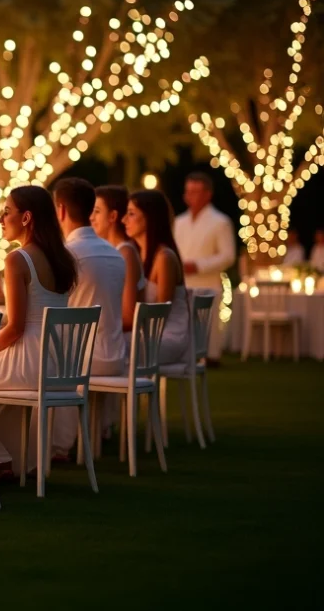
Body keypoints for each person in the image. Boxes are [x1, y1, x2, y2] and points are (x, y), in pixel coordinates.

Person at [0, 186, 78, 477]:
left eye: (7, 212)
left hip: (29, 362)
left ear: (26, 218)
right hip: (58, 362)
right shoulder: (62, 258)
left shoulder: (17, 259)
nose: (1, 219)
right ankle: (7, 458)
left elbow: (15, 328)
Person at [51, 178, 127, 458]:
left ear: (60, 211)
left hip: (82, 361)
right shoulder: (116, 254)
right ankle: (95, 431)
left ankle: (56, 445)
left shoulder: (65, 255)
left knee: (40, 354)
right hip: (116, 356)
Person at [172, 172, 235, 361]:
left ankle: (211, 358)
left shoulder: (220, 222)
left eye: (195, 191)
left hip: (208, 283)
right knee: (184, 326)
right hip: (183, 283)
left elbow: (228, 255)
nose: (190, 196)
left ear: (208, 194)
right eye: (188, 191)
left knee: (208, 326)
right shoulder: (179, 222)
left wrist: (198, 266)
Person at [125, 189, 190, 366]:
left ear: (149, 218)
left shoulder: (164, 258)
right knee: (105, 345)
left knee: (110, 348)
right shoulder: (137, 254)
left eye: (131, 214)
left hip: (168, 337)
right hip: (148, 333)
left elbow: (161, 314)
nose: (124, 220)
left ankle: (126, 393)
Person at [90, 185, 145, 331]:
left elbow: (129, 316)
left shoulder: (125, 253)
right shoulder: (110, 251)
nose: (91, 217)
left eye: (96, 212)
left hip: (123, 341)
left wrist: (93, 327)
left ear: (113, 216)